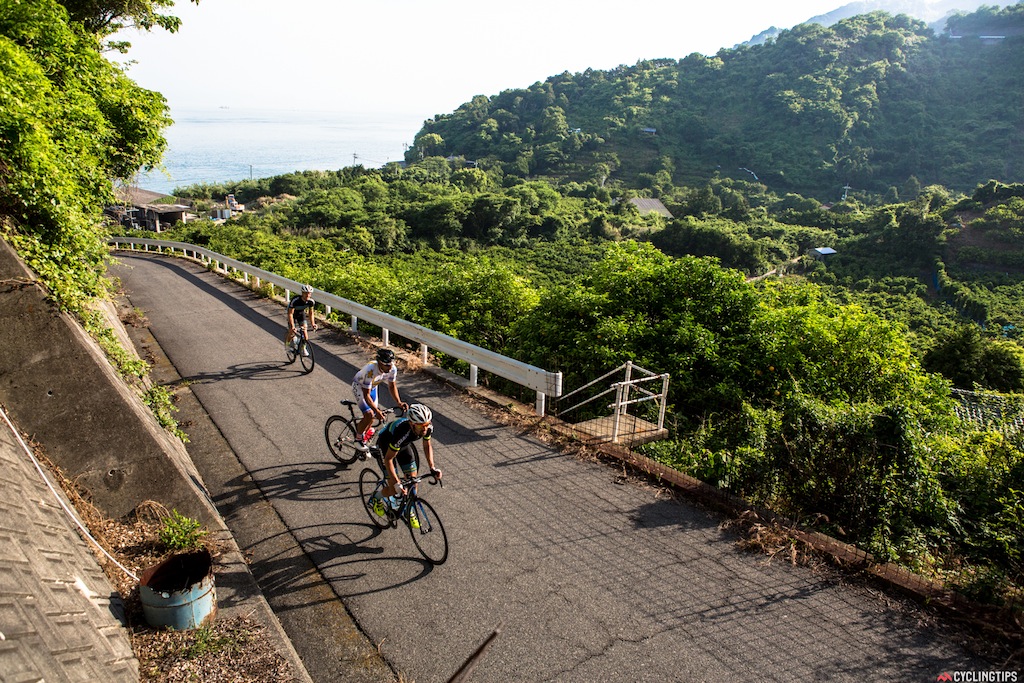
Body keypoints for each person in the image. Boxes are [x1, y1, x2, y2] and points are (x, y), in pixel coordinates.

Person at [369, 403, 442, 528]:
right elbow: (388, 460)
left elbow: (427, 445)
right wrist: (397, 483)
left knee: (413, 481)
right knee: (393, 488)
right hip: (386, 446)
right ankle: (375, 498)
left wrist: (432, 467)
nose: (425, 429)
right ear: (412, 424)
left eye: (426, 424)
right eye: (421, 426)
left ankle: (409, 509)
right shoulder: (402, 433)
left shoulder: (427, 427)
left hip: (403, 447)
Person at [352, 348, 407, 449]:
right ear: (379, 363)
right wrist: (376, 410)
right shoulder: (371, 370)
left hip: (372, 387)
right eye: (386, 365)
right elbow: (366, 395)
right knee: (369, 414)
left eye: (391, 364)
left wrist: (399, 402)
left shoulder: (392, 369)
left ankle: (364, 434)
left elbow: (392, 386)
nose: (389, 367)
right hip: (360, 387)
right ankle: (358, 439)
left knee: (372, 418)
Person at [287, 284, 317, 355]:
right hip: (292, 314)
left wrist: (313, 324)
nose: (307, 295)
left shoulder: (311, 302)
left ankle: (303, 348)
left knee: (305, 336)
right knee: (292, 332)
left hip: (301, 314)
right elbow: (290, 314)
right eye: (306, 293)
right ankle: (287, 344)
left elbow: (311, 313)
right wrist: (293, 326)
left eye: (309, 293)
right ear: (302, 293)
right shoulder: (295, 300)